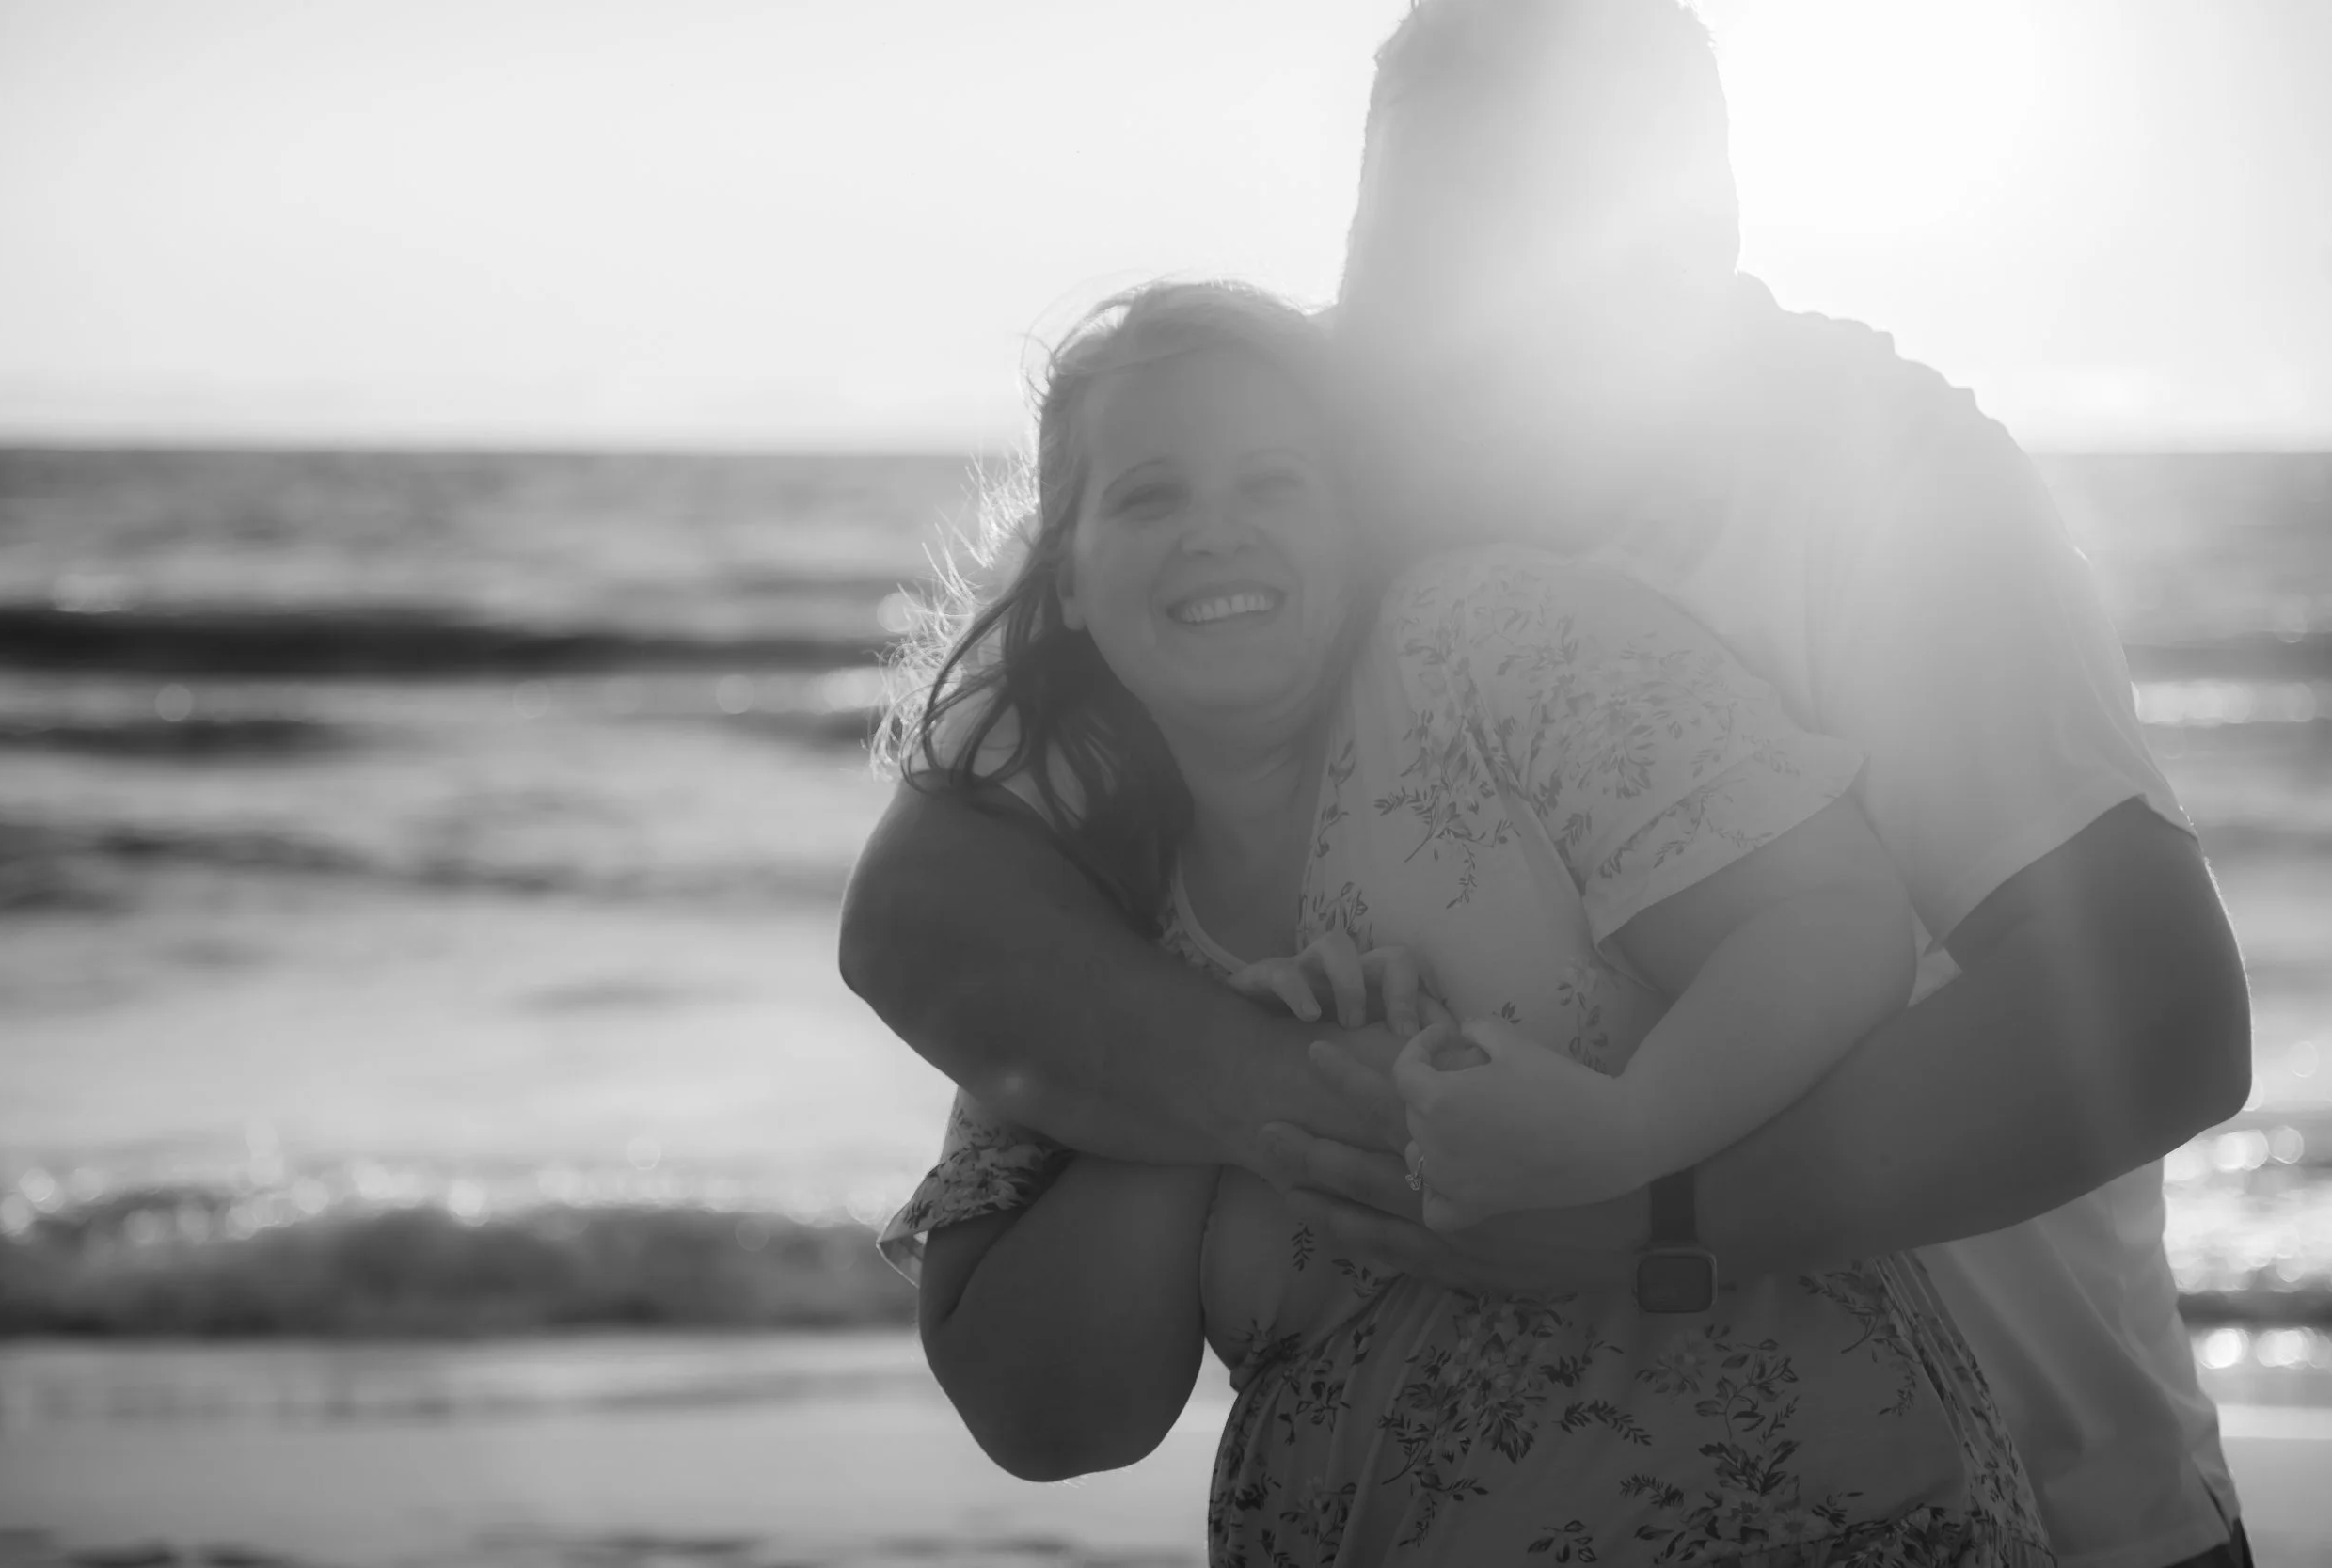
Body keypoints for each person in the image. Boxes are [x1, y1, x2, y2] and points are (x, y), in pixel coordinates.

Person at [841, 4, 2254, 1566]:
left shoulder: (1885, 485)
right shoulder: (1291, 476)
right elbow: (922, 906)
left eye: (1526, 262)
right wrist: (1287, 1092)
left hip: (2041, 1502)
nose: (1445, 337)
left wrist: (1649, 1220)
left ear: (1698, 242)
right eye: (1404, 261)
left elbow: (2156, 1010)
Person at [880, 278, 2050, 1562]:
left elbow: (1834, 918)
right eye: (1150, 496)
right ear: (1069, 575)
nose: (1216, 532)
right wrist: (1206, 1091)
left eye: (1274, 483)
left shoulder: (1494, 649)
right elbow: (1045, 1417)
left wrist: (1629, 1132)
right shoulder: (1072, 889)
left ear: (1352, 527)